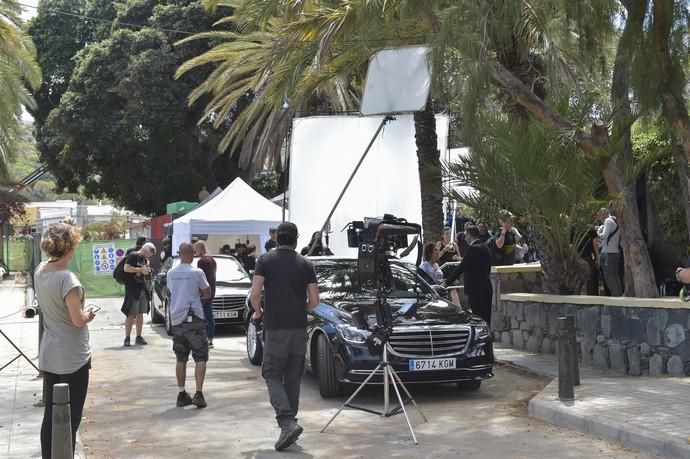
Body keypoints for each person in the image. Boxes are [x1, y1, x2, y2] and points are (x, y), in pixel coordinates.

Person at [250, 222, 320, 451]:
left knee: (271, 373)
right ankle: (290, 425)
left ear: (277, 238)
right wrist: (303, 309)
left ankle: (287, 422)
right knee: (292, 377)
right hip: (299, 328)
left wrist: (258, 311)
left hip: (275, 327)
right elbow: (315, 300)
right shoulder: (306, 263)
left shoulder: (265, 260)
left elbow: (255, 292)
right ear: (296, 240)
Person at [35, 222, 96, 459]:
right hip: (73, 356)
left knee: (51, 415)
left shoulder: (41, 270)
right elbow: (77, 320)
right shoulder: (68, 280)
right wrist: (89, 313)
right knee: (70, 419)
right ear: (70, 248)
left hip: (50, 352)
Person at [167, 242, 211, 408]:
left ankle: (181, 393)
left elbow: (171, 292)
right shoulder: (197, 272)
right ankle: (198, 394)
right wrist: (196, 293)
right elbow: (207, 293)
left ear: (179, 254)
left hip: (177, 320)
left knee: (181, 357)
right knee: (200, 356)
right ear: (191, 253)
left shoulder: (171, 273)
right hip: (195, 318)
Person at [444, 225, 493, 325]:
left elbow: (462, 267)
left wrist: (447, 282)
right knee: (486, 318)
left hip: (476, 290)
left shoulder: (472, 249)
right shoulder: (485, 247)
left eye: (466, 235)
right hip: (487, 287)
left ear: (470, 235)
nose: (465, 238)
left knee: (478, 317)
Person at [121, 242, 156, 346]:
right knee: (131, 314)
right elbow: (126, 268)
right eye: (148, 254)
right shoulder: (133, 256)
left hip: (142, 288)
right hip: (132, 289)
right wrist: (141, 269)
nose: (148, 257)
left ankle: (138, 337)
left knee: (140, 314)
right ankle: (127, 338)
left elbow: (144, 271)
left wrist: (147, 270)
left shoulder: (144, 259)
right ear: (145, 251)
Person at [194, 241, 217, 348]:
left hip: (204, 293)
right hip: (212, 291)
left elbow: (200, 278)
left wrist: (198, 291)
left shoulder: (201, 261)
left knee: (200, 317)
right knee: (209, 316)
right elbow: (213, 276)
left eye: (196, 249)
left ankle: (201, 338)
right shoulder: (212, 260)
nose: (195, 251)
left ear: (200, 249)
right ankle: (210, 338)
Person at [597, 207, 623, 296]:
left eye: (599, 215)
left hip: (607, 253)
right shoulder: (615, 221)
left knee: (609, 276)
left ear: (603, 214)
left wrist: (597, 232)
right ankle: (619, 294)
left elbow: (603, 236)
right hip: (616, 252)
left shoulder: (607, 221)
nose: (599, 218)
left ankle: (615, 296)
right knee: (615, 275)